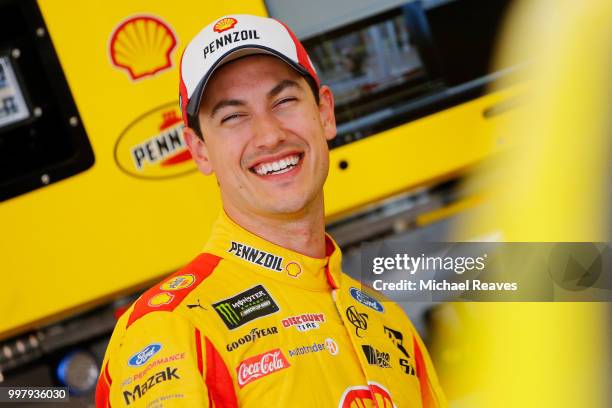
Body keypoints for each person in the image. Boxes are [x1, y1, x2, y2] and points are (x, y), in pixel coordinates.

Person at [96, 14, 446, 408]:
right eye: (233, 116)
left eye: (283, 101)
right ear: (199, 150)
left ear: (325, 113)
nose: (269, 134)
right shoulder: (172, 328)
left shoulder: (389, 323)